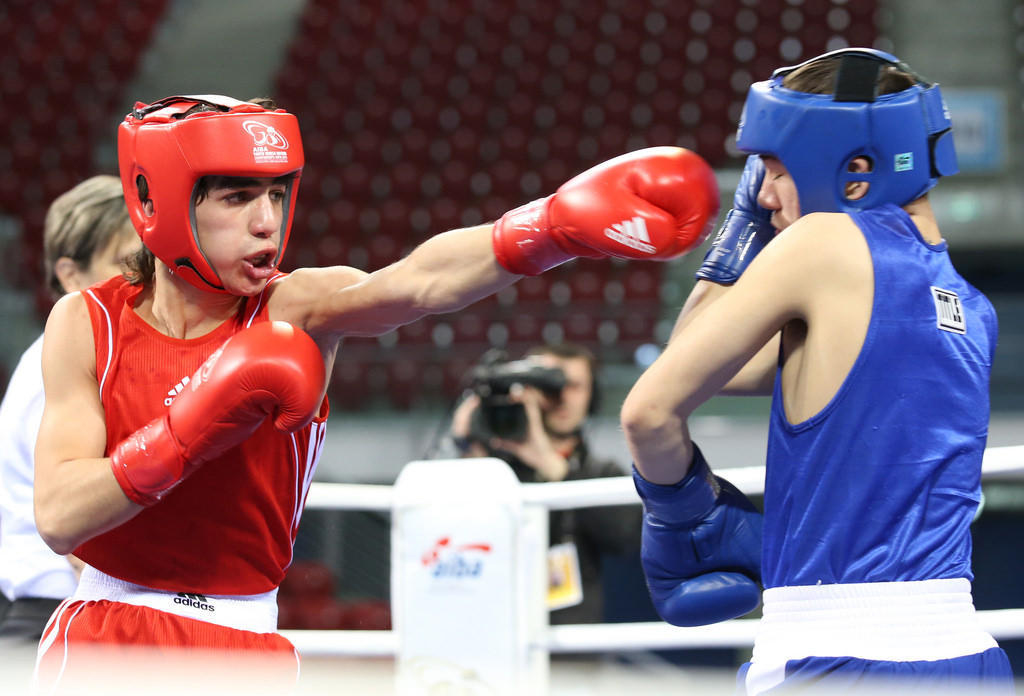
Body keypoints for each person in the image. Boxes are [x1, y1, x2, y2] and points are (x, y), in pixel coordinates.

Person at [30, 95, 719, 691]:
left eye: (276, 194)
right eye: (237, 197)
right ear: (157, 201)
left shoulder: (295, 307)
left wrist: (546, 229)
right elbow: (60, 515)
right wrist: (189, 429)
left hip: (237, 645)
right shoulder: (88, 323)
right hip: (104, 634)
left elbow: (417, 283)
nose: (267, 222)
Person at [620, 48, 1014, 694]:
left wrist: (681, 512)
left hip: (837, 659)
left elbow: (653, 404)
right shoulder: (970, 308)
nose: (764, 193)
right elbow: (711, 362)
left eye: (773, 169)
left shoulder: (825, 243)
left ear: (855, 169)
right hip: (967, 658)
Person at [0, 176, 140, 648]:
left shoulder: (90, 357)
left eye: (151, 263)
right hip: (55, 618)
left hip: (70, 614)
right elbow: (80, 528)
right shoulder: (64, 367)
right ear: (70, 274)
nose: (144, 281)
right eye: (125, 264)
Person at [448, 343, 640, 625]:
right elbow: (452, 534)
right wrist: (465, 449)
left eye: (573, 386)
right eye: (549, 386)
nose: (562, 397)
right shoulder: (494, 469)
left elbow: (625, 539)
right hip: (497, 630)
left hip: (571, 647)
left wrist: (555, 469)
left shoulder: (600, 472)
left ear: (592, 397)